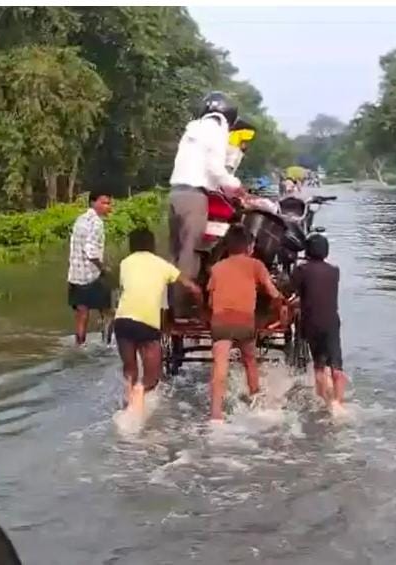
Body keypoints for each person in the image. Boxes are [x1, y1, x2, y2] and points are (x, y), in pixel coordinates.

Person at [168, 91, 242, 317]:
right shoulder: (217, 130)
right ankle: (185, 308)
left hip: (176, 193)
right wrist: (236, 186)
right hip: (194, 195)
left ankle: (172, 305)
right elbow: (215, 168)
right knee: (191, 252)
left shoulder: (193, 129)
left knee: (176, 252)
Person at [113, 228, 201, 415]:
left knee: (130, 369)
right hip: (146, 323)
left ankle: (128, 406)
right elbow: (191, 287)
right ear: (152, 245)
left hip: (122, 321)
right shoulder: (162, 265)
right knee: (152, 377)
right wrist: (201, 304)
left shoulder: (125, 263)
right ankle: (140, 391)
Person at [206, 225, 286, 422]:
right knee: (250, 361)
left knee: (220, 365)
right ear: (249, 247)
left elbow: (210, 300)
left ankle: (216, 415)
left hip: (221, 321)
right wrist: (280, 305)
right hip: (245, 322)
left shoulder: (217, 268)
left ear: (227, 247)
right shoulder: (256, 265)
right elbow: (272, 292)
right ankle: (255, 400)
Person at [291, 234, 348, 413]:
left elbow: (291, 290)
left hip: (312, 323)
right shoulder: (335, 271)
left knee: (319, 366)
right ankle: (339, 403)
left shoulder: (301, 270)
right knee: (336, 367)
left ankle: (324, 402)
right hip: (331, 323)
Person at [68, 190, 113, 345]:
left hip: (75, 276)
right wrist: (104, 268)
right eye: (104, 203)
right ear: (93, 203)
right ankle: (107, 346)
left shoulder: (80, 219)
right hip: (92, 275)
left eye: (109, 203)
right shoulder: (97, 223)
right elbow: (91, 252)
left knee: (82, 315)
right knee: (108, 313)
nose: (108, 207)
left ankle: (79, 347)